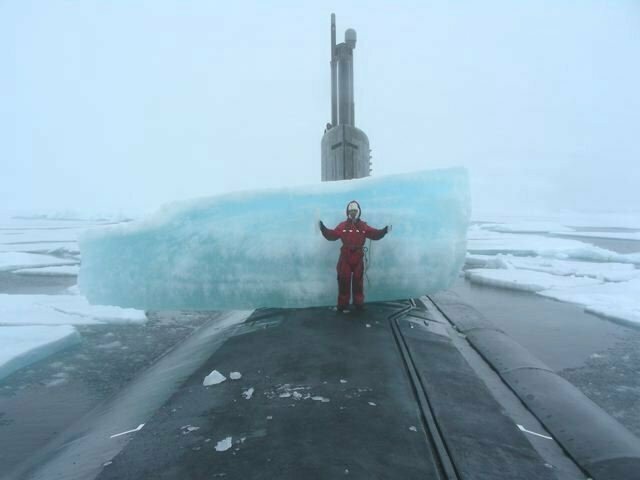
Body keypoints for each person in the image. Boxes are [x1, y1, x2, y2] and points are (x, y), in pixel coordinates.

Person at [319, 200, 389, 312]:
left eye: (355, 210)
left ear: (358, 212)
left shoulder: (363, 226)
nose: (353, 213)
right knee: (343, 281)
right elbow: (332, 235)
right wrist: (323, 229)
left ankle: (358, 303)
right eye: (351, 211)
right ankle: (342, 304)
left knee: (358, 282)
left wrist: (384, 231)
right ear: (347, 212)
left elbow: (374, 234)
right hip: (345, 257)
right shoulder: (342, 226)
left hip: (358, 256)